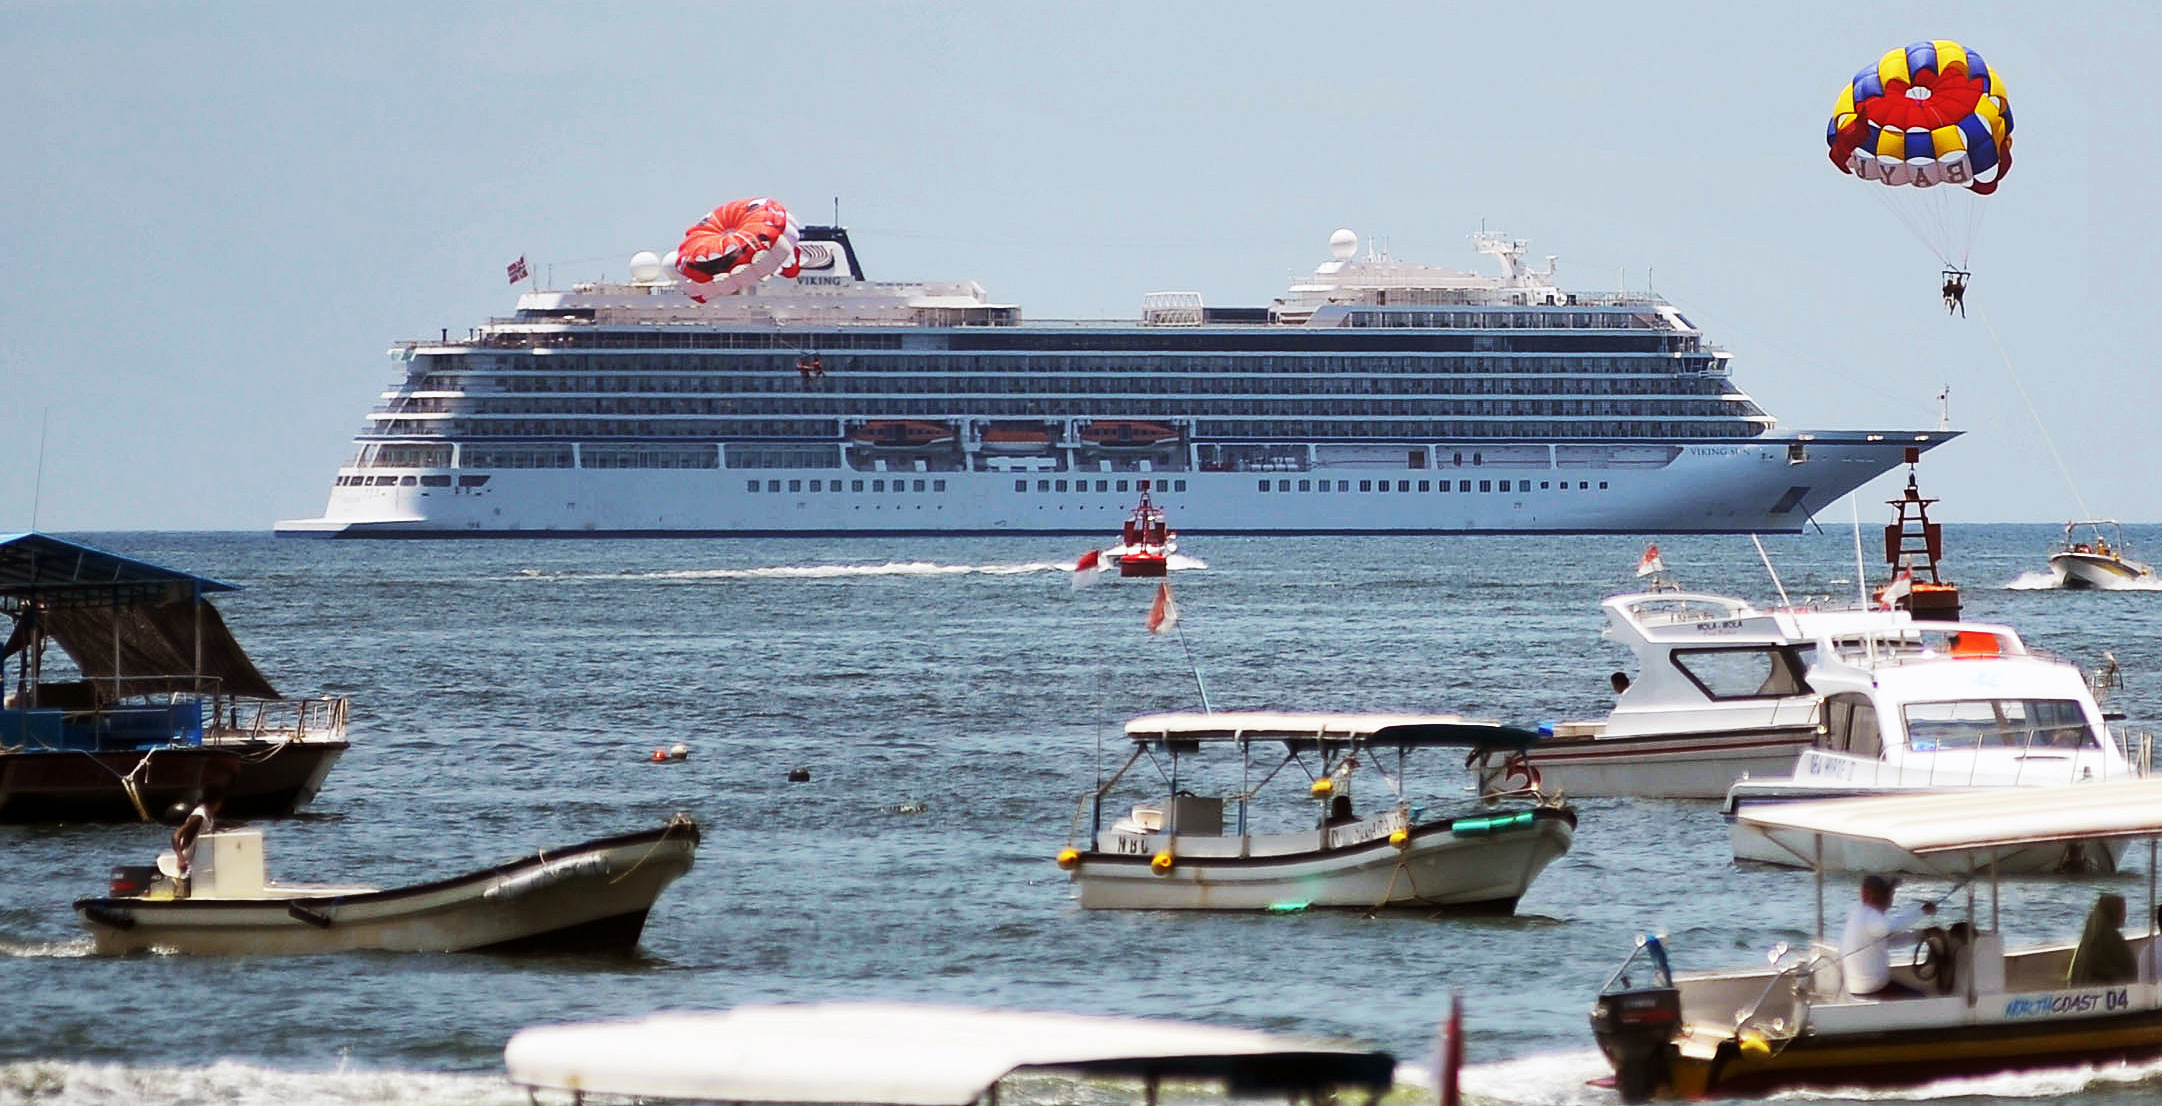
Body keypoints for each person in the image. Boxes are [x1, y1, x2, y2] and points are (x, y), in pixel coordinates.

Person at [1840, 873, 1936, 998]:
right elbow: (1891, 927)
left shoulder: (1858, 914)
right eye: (1889, 895)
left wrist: (1922, 935)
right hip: (1871, 989)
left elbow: (1889, 941)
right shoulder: (1871, 916)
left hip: (1859, 987)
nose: (1890, 903)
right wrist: (1923, 911)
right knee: (1922, 999)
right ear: (1873, 895)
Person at [2068, 892, 2138, 985]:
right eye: (2122, 910)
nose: (2125, 915)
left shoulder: (2090, 938)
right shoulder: (2111, 940)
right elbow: (2128, 973)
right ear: (2113, 912)